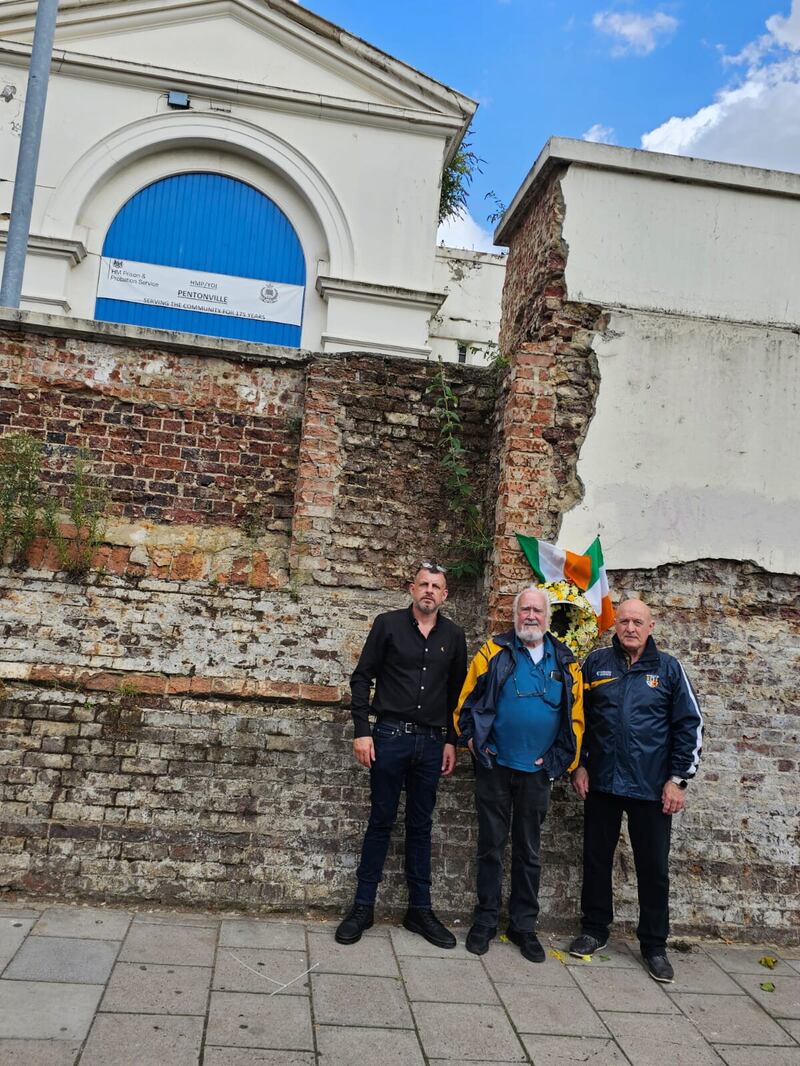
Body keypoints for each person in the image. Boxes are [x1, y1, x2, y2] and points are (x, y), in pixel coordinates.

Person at [569, 598, 703, 983]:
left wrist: (678, 780)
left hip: (651, 787)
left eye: (637, 621)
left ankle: (654, 946)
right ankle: (594, 930)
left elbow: (690, 725)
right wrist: (579, 764)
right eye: (624, 620)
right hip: (603, 782)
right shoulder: (596, 664)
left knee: (653, 868)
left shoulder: (668, 669)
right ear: (615, 626)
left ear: (651, 626)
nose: (630, 627)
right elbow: (577, 718)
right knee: (596, 860)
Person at [335, 561, 467, 947]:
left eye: (436, 586)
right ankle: (363, 906)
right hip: (389, 736)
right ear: (412, 589)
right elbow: (362, 678)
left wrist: (451, 741)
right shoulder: (387, 624)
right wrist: (362, 731)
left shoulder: (454, 636)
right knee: (380, 820)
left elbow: (458, 693)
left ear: (445, 595)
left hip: (431, 743)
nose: (429, 591)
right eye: (423, 584)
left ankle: (420, 910)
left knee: (421, 826)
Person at [455, 586, 584, 962]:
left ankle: (523, 927)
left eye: (537, 611)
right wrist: (475, 744)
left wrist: (560, 762)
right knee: (490, 847)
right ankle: (485, 921)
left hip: (537, 774)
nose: (530, 616)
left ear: (547, 617)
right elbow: (465, 704)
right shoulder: (492, 652)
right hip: (495, 767)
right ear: (515, 615)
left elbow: (576, 719)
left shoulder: (565, 660)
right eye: (525, 609)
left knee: (529, 852)